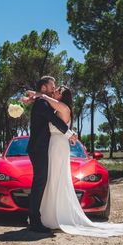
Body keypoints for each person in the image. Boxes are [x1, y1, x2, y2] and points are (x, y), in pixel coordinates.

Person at [27, 85, 123, 237]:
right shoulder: (56, 107)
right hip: (53, 146)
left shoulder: (64, 108)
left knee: (56, 179)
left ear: (63, 96)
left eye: (58, 90)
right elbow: (47, 105)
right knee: (51, 180)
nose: (54, 91)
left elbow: (47, 102)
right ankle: (47, 216)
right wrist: (35, 96)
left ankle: (55, 216)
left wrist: (38, 95)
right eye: (55, 89)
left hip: (57, 148)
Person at [25, 76, 77, 233]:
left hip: (46, 147)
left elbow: (55, 118)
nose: (54, 89)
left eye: (56, 88)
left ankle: (39, 217)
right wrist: (69, 133)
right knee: (40, 182)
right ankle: (35, 220)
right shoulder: (42, 103)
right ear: (44, 88)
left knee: (43, 181)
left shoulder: (46, 101)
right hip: (40, 147)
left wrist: (33, 95)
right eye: (52, 86)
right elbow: (54, 119)